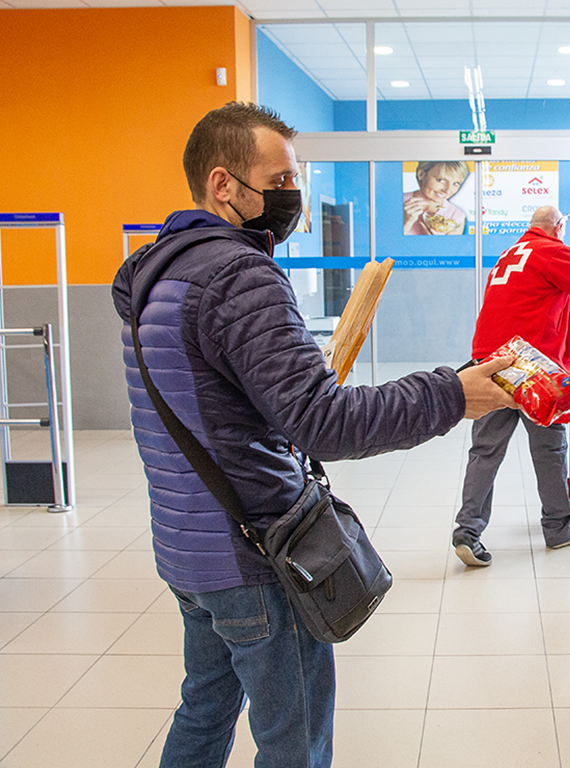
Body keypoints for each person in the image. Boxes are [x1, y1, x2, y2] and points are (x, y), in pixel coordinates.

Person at [111, 102, 514, 768]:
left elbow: (213, 401)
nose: (292, 195)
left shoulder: (155, 274)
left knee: (204, 711)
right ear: (222, 184)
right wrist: (453, 393)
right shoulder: (238, 276)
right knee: (293, 738)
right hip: (254, 555)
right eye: (280, 180)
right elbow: (325, 423)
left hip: (187, 547)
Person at [453, 205, 570, 566]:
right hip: (531, 367)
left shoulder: (510, 254)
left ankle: (467, 532)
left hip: (490, 363)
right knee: (550, 447)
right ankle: (559, 528)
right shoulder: (550, 250)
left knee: (485, 450)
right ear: (558, 227)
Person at [403, 160, 470, 235]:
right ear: (421, 174)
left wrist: (437, 241)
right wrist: (406, 223)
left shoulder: (455, 215)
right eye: (440, 180)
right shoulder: (397, 201)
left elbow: (451, 246)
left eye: (455, 183)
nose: (447, 191)